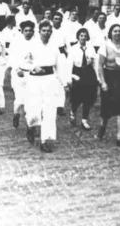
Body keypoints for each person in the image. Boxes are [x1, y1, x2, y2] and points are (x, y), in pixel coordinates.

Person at [25, 21, 68, 153]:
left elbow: (59, 66)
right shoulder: (32, 45)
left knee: (49, 110)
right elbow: (23, 63)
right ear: (39, 32)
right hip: (34, 80)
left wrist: (64, 83)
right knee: (34, 110)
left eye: (49, 31)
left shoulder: (54, 46)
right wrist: (33, 67)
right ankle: (30, 126)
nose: (46, 33)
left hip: (50, 79)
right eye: (44, 30)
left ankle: (45, 141)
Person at [67, 28, 99, 131]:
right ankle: (73, 112)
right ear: (78, 37)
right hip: (77, 73)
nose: (83, 38)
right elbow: (69, 64)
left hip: (89, 73)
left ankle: (84, 120)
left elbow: (95, 63)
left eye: (85, 36)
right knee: (76, 97)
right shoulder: (73, 49)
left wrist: (97, 77)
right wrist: (70, 76)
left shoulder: (91, 48)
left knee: (88, 97)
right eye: (81, 36)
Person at [8, 20, 35, 128]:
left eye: (30, 30)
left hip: (32, 74)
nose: (28, 33)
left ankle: (31, 125)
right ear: (22, 31)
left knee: (32, 100)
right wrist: (17, 69)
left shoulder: (37, 43)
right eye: (26, 30)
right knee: (20, 99)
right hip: (19, 73)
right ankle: (16, 114)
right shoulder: (16, 42)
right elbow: (12, 57)